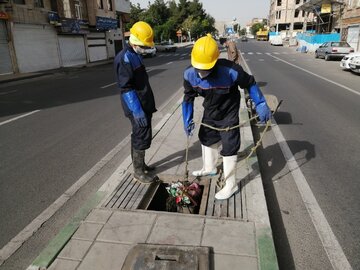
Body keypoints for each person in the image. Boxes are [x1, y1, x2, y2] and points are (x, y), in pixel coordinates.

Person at [182, 34, 271, 200]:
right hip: (210, 110)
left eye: (206, 68)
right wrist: (187, 118)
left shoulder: (231, 71)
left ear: (215, 60)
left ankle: (231, 185)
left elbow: (250, 83)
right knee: (206, 138)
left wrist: (260, 103)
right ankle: (209, 167)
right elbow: (188, 97)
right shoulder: (189, 74)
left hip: (228, 111)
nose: (201, 72)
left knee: (230, 145)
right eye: (199, 67)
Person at [114, 21, 158, 184]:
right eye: (143, 46)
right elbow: (126, 88)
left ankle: (141, 164)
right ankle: (138, 172)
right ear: (134, 41)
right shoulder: (124, 58)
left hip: (143, 102)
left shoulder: (134, 54)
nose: (145, 48)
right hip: (136, 105)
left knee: (140, 135)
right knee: (141, 135)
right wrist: (137, 110)